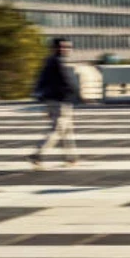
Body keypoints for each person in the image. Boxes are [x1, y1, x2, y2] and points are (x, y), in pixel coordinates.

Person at [28, 38, 80, 167]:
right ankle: (38, 154)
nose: (66, 49)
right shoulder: (57, 61)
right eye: (63, 47)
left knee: (67, 130)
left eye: (68, 47)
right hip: (59, 100)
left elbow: (41, 80)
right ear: (55, 48)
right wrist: (79, 94)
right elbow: (67, 81)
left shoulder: (51, 61)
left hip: (57, 100)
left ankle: (71, 157)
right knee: (57, 129)